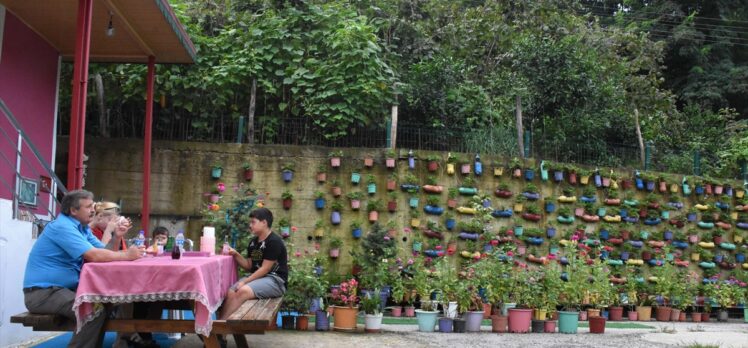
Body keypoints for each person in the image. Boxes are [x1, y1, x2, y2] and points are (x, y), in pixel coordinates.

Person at [22, 190, 144, 348]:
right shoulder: (62, 227)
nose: (93, 210)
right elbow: (94, 256)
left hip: (60, 290)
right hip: (43, 293)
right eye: (88, 207)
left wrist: (117, 237)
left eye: (92, 206)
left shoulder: (82, 228)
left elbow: (105, 252)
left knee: (105, 304)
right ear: (73, 210)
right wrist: (127, 255)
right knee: (92, 311)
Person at [220, 208, 288, 319]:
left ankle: (220, 327)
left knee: (243, 290)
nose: (250, 225)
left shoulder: (274, 242)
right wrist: (236, 254)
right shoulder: (253, 243)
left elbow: (265, 269)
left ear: (264, 223)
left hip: (275, 281)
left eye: (253, 222)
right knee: (231, 292)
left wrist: (245, 282)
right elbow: (249, 265)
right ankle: (221, 328)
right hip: (259, 279)